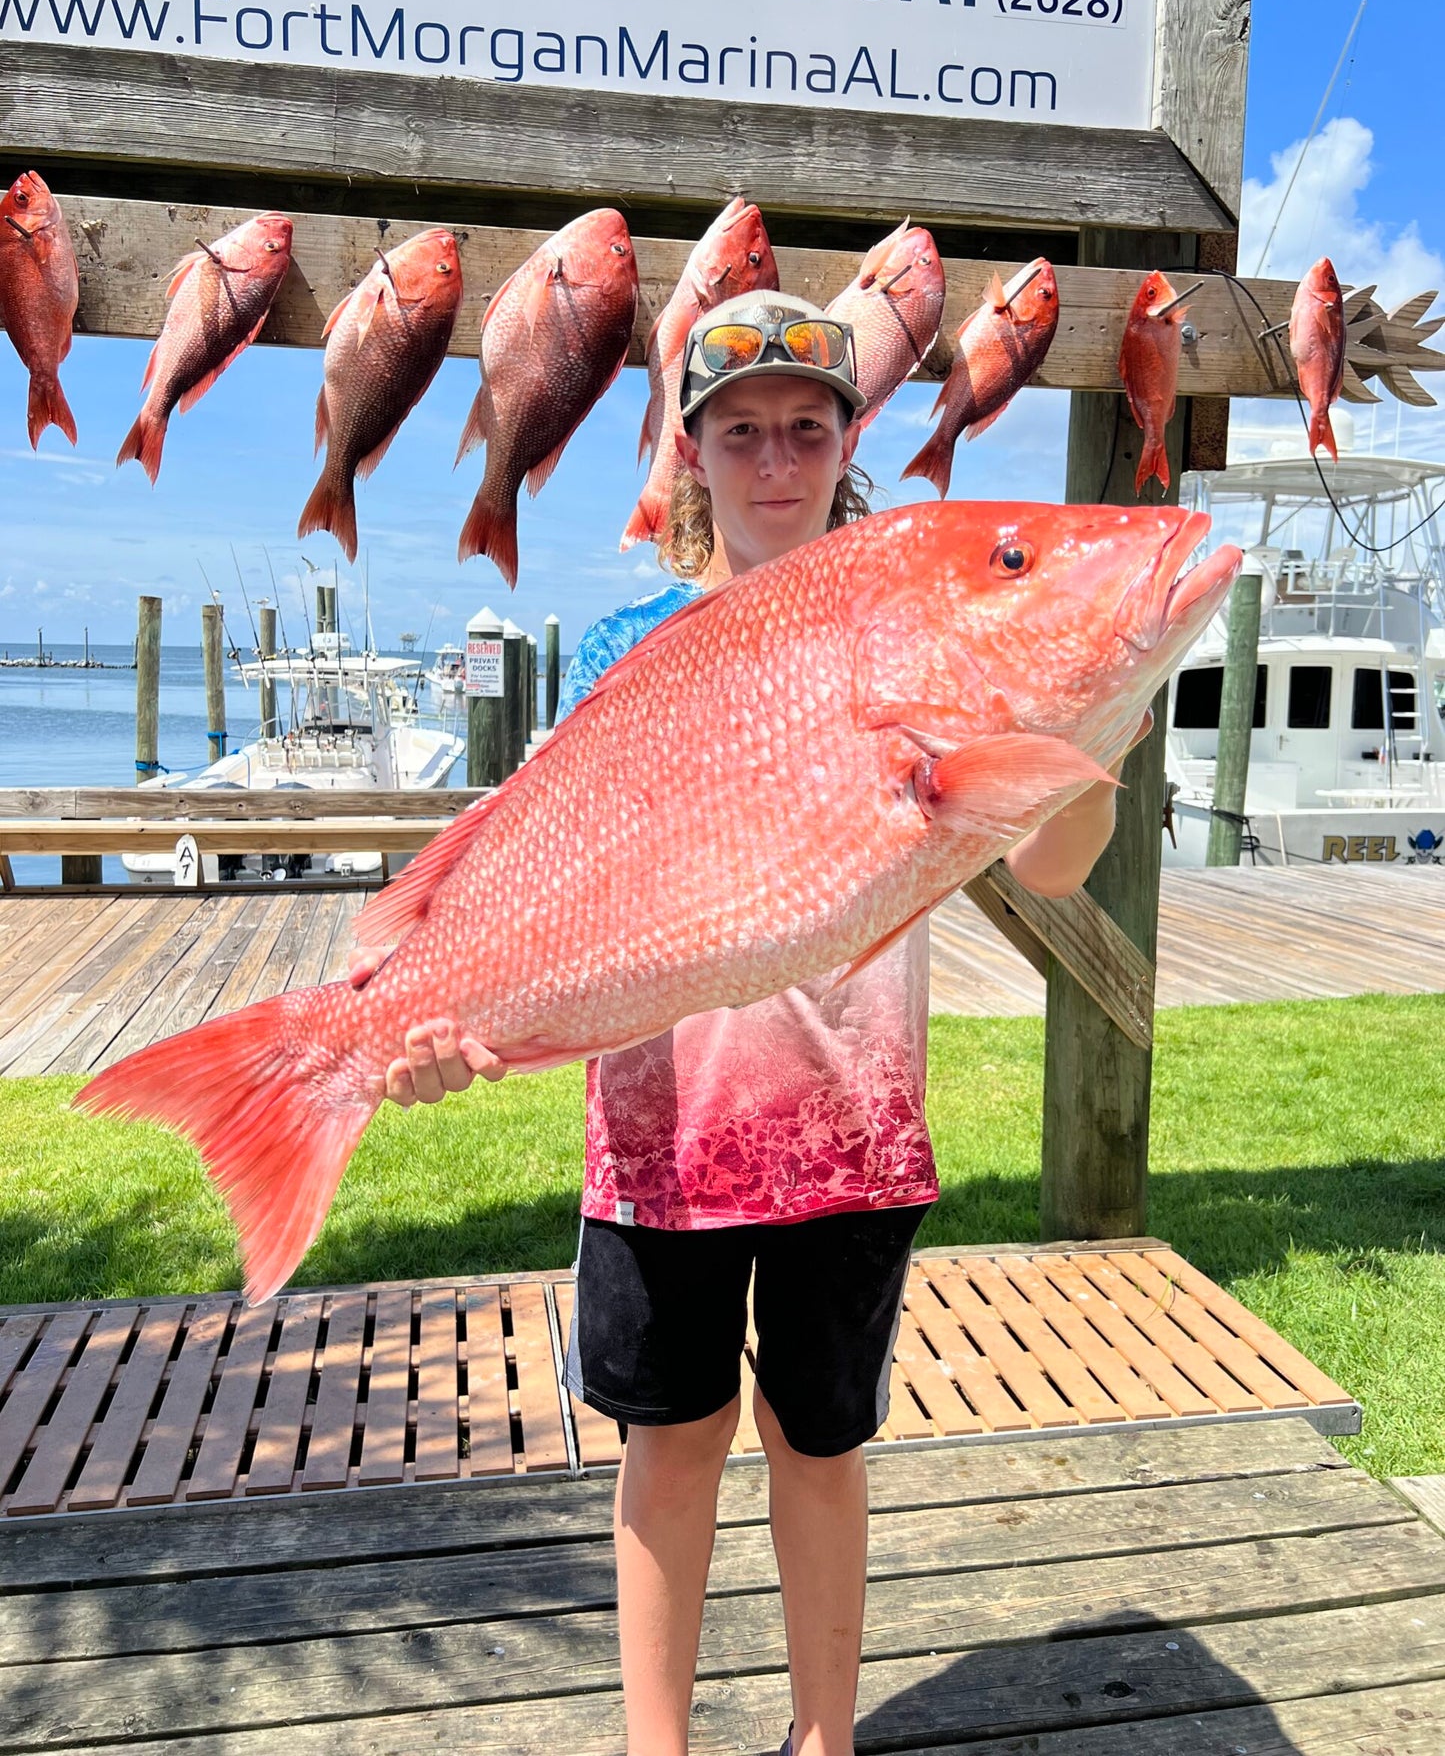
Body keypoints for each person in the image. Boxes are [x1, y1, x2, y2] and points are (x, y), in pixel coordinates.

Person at [360, 291, 1146, 1756]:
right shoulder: (623, 643)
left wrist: (1090, 736)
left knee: (820, 1445)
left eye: (803, 425)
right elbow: (539, 873)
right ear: (692, 449)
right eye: (739, 430)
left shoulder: (914, 617)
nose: (772, 457)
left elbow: (1042, 863)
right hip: (659, 1147)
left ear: (846, 440)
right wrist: (435, 1016)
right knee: (666, 1449)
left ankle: (821, 1738)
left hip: (852, 1133)